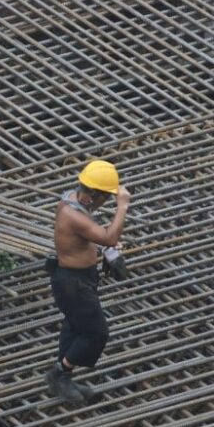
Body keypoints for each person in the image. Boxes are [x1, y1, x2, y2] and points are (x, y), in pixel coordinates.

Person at [45, 159, 131, 405]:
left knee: (75, 327)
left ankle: (64, 377)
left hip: (77, 279)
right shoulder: (72, 214)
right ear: (93, 195)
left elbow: (90, 236)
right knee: (96, 333)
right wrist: (122, 207)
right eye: (106, 198)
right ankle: (58, 375)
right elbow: (109, 236)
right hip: (72, 283)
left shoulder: (73, 200)